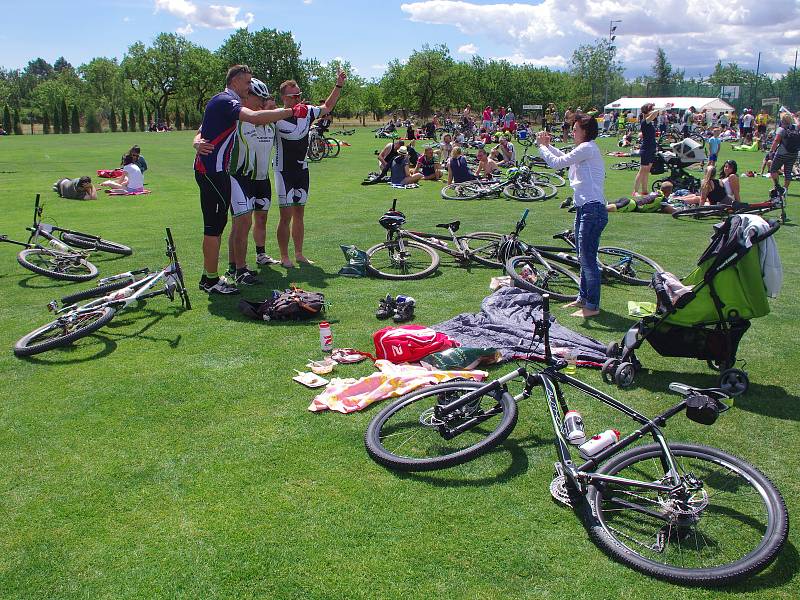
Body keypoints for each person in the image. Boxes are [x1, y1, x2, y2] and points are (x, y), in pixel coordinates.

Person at [193, 64, 296, 295]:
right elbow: (255, 118)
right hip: (213, 171)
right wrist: (290, 111)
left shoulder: (224, 102)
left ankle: (211, 277)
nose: (249, 87)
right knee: (213, 228)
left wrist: (197, 140)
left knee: (217, 227)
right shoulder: (226, 101)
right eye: (248, 83)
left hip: (216, 171)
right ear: (236, 81)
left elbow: (207, 128)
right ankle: (210, 279)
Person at [536, 112, 607, 318]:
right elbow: (563, 157)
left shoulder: (587, 148)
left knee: (587, 259)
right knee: (582, 257)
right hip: (586, 208)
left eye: (575, 129)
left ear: (585, 131)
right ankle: (582, 299)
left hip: (592, 209)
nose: (572, 132)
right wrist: (548, 146)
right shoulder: (585, 150)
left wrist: (542, 147)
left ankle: (592, 306)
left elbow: (557, 163)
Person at [274, 70, 346, 268]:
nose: (298, 98)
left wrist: (338, 85)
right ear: (284, 98)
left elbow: (328, 106)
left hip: (302, 169)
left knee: (299, 214)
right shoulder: (276, 116)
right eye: (293, 96)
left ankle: (299, 253)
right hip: (283, 171)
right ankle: (284, 256)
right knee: (285, 215)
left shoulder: (307, 112)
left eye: (299, 94)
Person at [768, 112, 799, 194]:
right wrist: (795, 118)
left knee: (773, 169)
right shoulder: (795, 127)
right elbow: (798, 123)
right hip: (793, 153)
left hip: (782, 153)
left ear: (782, 120)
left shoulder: (781, 129)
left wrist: (771, 151)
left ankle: (777, 186)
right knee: (788, 171)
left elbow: (776, 141)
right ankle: (785, 189)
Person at [632, 103, 659, 196]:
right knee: (642, 169)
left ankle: (644, 190)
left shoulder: (649, 121)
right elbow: (655, 112)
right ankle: (635, 191)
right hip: (646, 148)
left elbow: (655, 113)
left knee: (647, 170)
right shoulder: (645, 121)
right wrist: (653, 110)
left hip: (651, 147)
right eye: (650, 109)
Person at [606, 181, 674, 213]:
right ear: (668, 192)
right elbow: (668, 209)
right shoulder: (662, 197)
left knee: (605, 204)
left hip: (628, 200)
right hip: (631, 204)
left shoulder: (656, 193)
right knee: (609, 209)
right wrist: (679, 211)